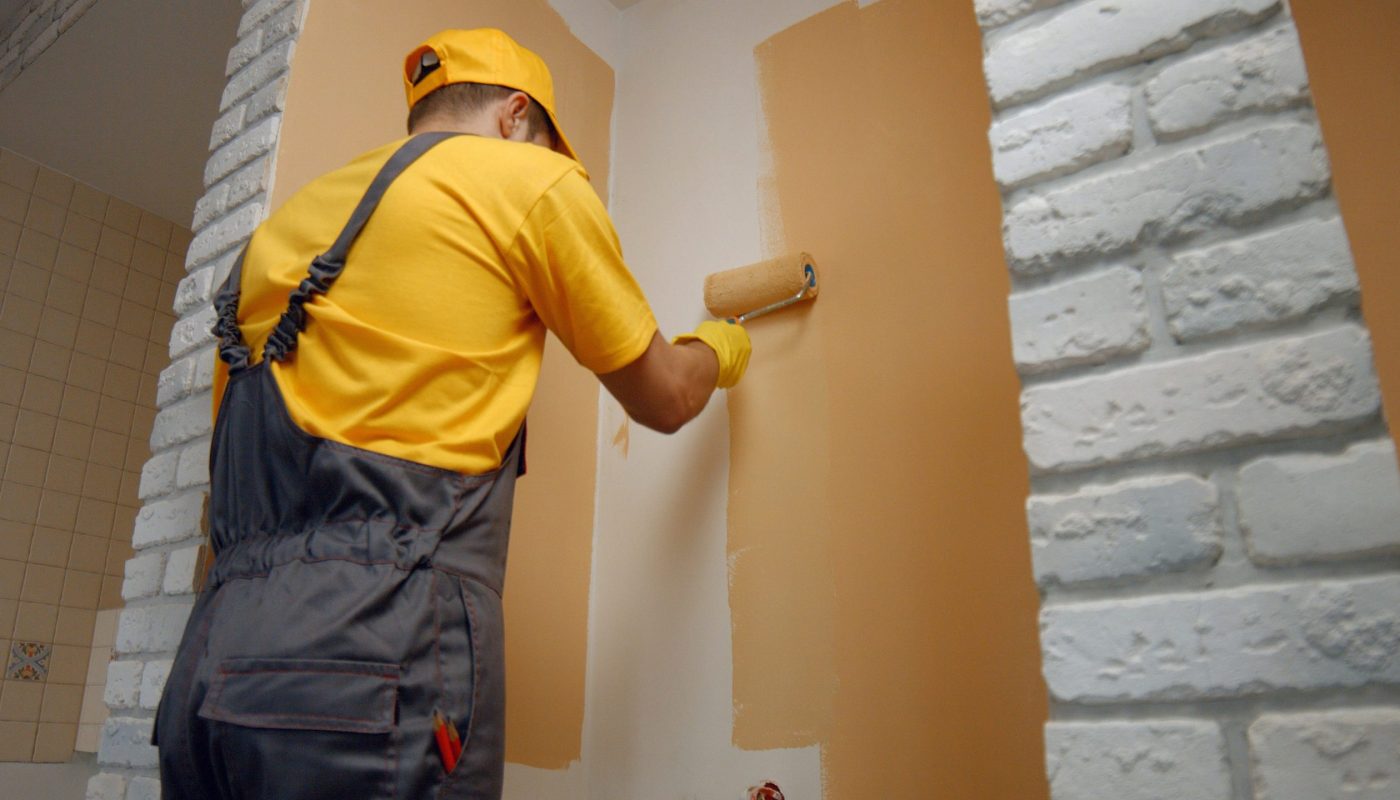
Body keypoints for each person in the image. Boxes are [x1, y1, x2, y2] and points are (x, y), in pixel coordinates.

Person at [153, 28, 750, 800]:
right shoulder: (525, 180)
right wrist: (721, 345)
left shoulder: (284, 231)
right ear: (515, 115)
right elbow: (665, 397)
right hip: (368, 657)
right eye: (545, 141)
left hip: (208, 668)